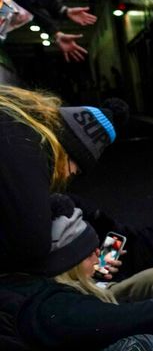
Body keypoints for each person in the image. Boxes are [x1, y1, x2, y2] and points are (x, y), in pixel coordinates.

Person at [0, 203, 153, 350]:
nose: (99, 254)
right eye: (90, 253)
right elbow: (122, 318)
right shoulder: (55, 307)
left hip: (87, 297)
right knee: (144, 345)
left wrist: (96, 275)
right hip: (78, 318)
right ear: (68, 263)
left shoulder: (44, 279)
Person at [0, 86, 124, 274]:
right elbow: (32, 245)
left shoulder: (17, 128)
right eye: (76, 170)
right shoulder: (27, 149)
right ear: (68, 152)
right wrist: (84, 264)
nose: (70, 176)